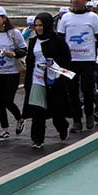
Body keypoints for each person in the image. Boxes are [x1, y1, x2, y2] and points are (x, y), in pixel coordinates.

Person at [55, 0, 98, 131]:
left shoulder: (93, 17)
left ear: (85, 0)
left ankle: (89, 115)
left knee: (88, 90)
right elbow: (60, 40)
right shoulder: (66, 18)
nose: (76, 0)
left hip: (88, 59)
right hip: (70, 61)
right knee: (72, 91)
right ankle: (77, 120)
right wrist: (59, 61)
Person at [22, 12, 71, 149]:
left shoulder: (58, 41)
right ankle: (37, 139)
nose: (38, 28)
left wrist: (54, 63)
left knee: (56, 110)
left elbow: (66, 59)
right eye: (36, 26)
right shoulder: (33, 42)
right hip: (36, 80)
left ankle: (62, 126)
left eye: (41, 25)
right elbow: (30, 61)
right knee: (38, 110)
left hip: (53, 80)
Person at [0, 7, 26, 141]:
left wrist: (13, 53)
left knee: (8, 100)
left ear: (4, 18)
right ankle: (5, 129)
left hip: (11, 72)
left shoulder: (14, 33)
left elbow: (24, 50)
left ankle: (19, 118)